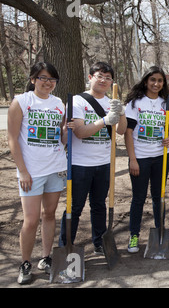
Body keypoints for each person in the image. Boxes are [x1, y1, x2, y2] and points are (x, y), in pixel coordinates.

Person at [8, 62, 68, 284]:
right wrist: (22, 171)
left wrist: (66, 130)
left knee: (49, 215)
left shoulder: (59, 104)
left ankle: (46, 257)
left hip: (55, 168)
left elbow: (61, 139)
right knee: (31, 220)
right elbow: (12, 139)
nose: (47, 83)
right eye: (43, 78)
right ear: (33, 79)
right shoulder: (22, 102)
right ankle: (25, 263)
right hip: (31, 172)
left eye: (52, 79)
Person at [59, 62, 127, 255]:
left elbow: (121, 130)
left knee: (99, 205)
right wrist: (105, 120)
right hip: (80, 164)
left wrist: (120, 113)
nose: (104, 80)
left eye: (108, 78)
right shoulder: (78, 102)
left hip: (104, 163)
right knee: (75, 207)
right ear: (90, 77)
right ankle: (65, 246)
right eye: (100, 76)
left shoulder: (111, 101)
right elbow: (80, 132)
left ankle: (99, 242)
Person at [124, 67, 169, 253]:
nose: (156, 84)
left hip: (161, 157)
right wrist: (132, 159)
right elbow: (128, 133)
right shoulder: (135, 103)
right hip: (141, 157)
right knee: (138, 198)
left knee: (158, 197)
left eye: (160, 80)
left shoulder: (166, 103)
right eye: (153, 80)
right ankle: (134, 234)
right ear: (146, 81)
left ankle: (159, 231)